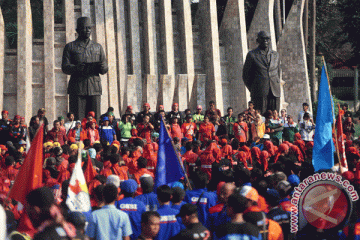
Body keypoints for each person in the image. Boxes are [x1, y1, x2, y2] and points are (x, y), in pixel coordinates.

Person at [62, 17, 108, 121]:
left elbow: (105, 68)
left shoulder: (98, 47)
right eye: (84, 28)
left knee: (94, 120)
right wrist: (76, 68)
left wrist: (102, 67)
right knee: (78, 119)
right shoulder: (70, 47)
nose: (87, 30)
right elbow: (65, 67)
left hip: (94, 87)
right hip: (77, 87)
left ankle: (95, 137)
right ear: (77, 30)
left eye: (89, 28)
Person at [243, 31, 281, 114]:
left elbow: (278, 72)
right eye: (262, 39)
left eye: (267, 39)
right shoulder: (252, 55)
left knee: (274, 117)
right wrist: (254, 88)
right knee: (260, 117)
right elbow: (246, 76)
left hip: (274, 90)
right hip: (259, 91)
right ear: (258, 40)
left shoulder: (276, 55)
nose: (265, 41)